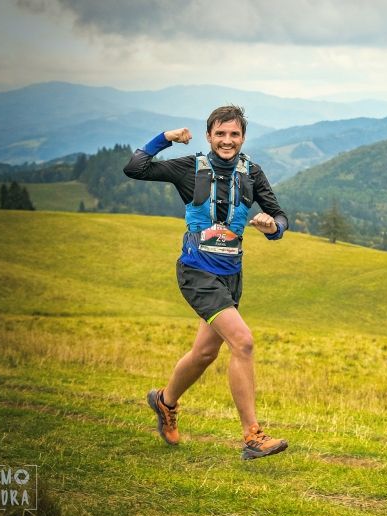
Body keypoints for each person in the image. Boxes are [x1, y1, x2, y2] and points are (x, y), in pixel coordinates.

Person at [123, 105, 288, 460]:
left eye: (234, 134)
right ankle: (252, 436)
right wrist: (166, 138)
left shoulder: (252, 172)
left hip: (231, 277)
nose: (227, 140)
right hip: (197, 272)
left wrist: (272, 226)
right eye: (220, 134)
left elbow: (279, 217)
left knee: (204, 354)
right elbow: (135, 168)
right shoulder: (190, 167)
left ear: (243, 138)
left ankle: (165, 402)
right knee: (242, 342)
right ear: (209, 136)